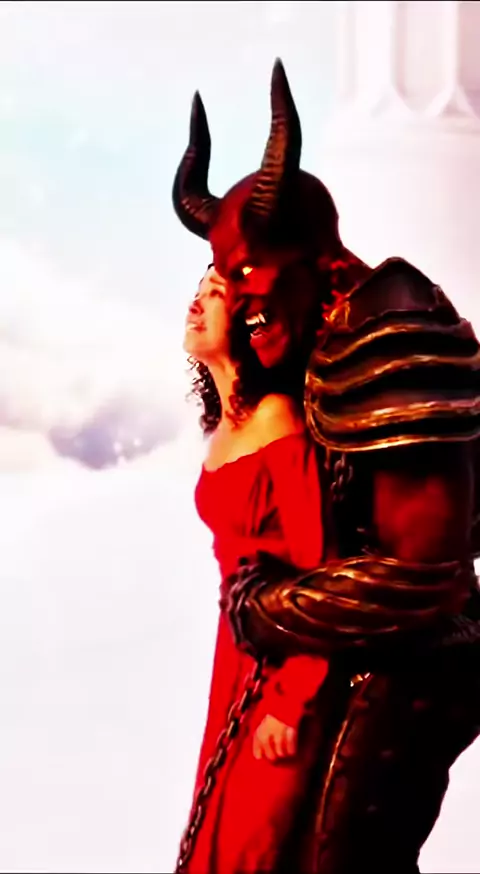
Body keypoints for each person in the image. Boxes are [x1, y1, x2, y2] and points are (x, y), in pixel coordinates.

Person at [172, 58, 480, 874]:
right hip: (333, 659)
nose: (238, 300)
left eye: (245, 274)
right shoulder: (319, 340)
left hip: (409, 664)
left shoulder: (392, 329)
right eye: (224, 279)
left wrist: (271, 609)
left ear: (312, 258)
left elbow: (421, 573)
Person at [177, 263, 330, 873]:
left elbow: (320, 565)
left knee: (255, 848)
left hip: (287, 662)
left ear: (247, 319)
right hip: (235, 658)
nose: (196, 303)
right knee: (214, 840)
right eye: (197, 292)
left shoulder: (276, 417)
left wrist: (293, 699)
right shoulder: (224, 428)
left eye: (215, 294)